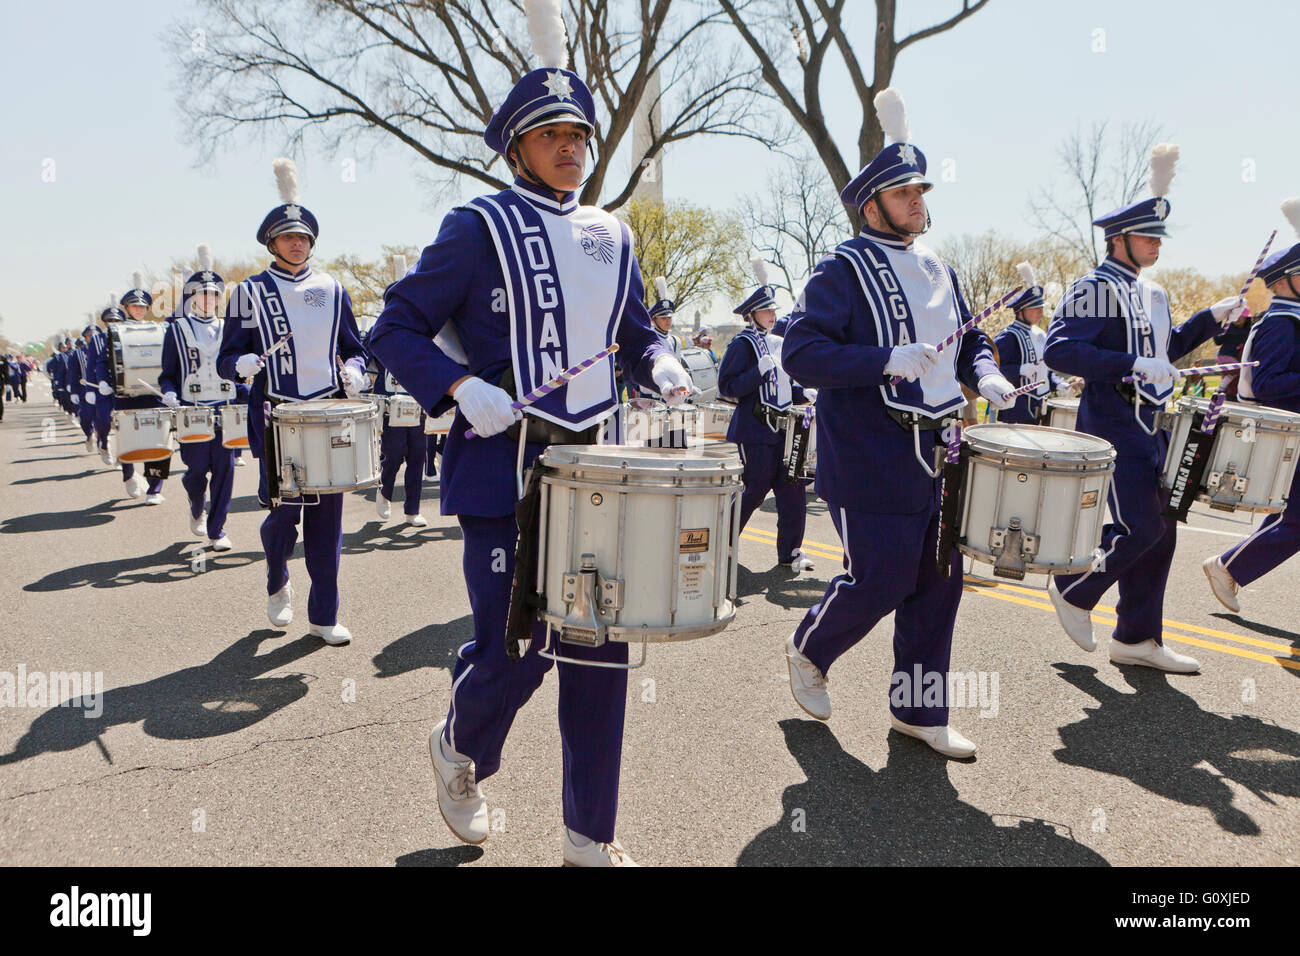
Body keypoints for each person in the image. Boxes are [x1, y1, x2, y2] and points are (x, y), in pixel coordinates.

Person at [367, 36, 694, 865]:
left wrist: (656, 359)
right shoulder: (477, 226)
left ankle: (591, 834)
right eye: (553, 135)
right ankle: (458, 745)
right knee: (518, 651)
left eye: (579, 135)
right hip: (503, 471)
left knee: (602, 654)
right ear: (517, 147)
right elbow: (393, 325)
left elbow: (631, 333)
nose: (572, 147)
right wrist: (453, 386)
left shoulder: (613, 235)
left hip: (599, 473)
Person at [778, 88, 1015, 759]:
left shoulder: (943, 269)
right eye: (904, 192)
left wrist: (988, 370)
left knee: (940, 582)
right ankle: (809, 647)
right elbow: (802, 353)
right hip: (871, 450)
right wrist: (885, 359)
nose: (918, 202)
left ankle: (919, 710)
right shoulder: (841, 268)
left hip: (942, 447)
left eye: (920, 190)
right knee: (880, 576)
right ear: (872, 203)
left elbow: (970, 339)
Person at [1043, 144, 1248, 672]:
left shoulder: (1152, 293)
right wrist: (1133, 364)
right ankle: (1074, 588)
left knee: (1163, 530)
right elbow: (1060, 350)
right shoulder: (1092, 287)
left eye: (1160, 237)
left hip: (1154, 428)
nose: (1156, 245)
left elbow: (1165, 352)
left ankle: (1137, 638)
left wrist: (1208, 318)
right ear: (1118, 239)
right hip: (1112, 423)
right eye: (1148, 236)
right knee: (1140, 527)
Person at [218, 157, 367, 647]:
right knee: (284, 515)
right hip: (275, 416)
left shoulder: (333, 288)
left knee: (328, 520)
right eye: (287, 237)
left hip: (327, 414)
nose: (296, 243)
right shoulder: (249, 293)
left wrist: (355, 368)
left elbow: (353, 345)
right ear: (271, 243)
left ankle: (324, 614)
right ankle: (277, 575)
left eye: (302, 237)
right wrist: (240, 365)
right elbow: (227, 358)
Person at [1203, 199, 1300, 611]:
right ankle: (1228, 567)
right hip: (1286, 435)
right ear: (1285, 280)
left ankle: (1230, 566)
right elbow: (1269, 383)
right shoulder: (1281, 323)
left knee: (1293, 519)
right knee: (1296, 522)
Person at [718, 260, 814, 571]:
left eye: (773, 310)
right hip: (755, 430)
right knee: (753, 489)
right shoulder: (742, 345)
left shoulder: (776, 343)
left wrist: (804, 394)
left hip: (784, 431)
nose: (772, 316)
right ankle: (723, 545)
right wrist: (756, 373)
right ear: (751, 315)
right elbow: (727, 387)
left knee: (793, 490)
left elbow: (783, 389)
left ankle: (791, 552)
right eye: (766, 311)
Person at [159, 245, 243, 551]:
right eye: (202, 294)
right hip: (191, 411)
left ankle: (216, 530)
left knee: (226, 470)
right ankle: (196, 503)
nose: (209, 300)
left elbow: (238, 375)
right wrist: (169, 392)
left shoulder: (229, 329)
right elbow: (167, 373)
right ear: (192, 298)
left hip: (224, 410)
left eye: (214, 295)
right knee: (196, 472)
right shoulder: (177, 330)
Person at [100, 277, 170, 502]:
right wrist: (103, 381)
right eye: (134, 306)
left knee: (158, 441)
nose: (138, 310)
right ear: (126, 308)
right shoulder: (115, 331)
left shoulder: (160, 329)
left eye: (142, 306)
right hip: (127, 395)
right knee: (129, 440)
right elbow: (103, 361)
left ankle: (154, 488)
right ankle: (129, 475)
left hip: (155, 393)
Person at [992, 263, 1054, 424]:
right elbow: (993, 370)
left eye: (1040, 306)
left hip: (1041, 404)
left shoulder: (1041, 334)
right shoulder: (1009, 336)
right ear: (1020, 311)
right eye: (1034, 308)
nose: (1040, 311)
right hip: (1017, 409)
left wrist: (1058, 383)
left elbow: (1044, 368)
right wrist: (1018, 370)